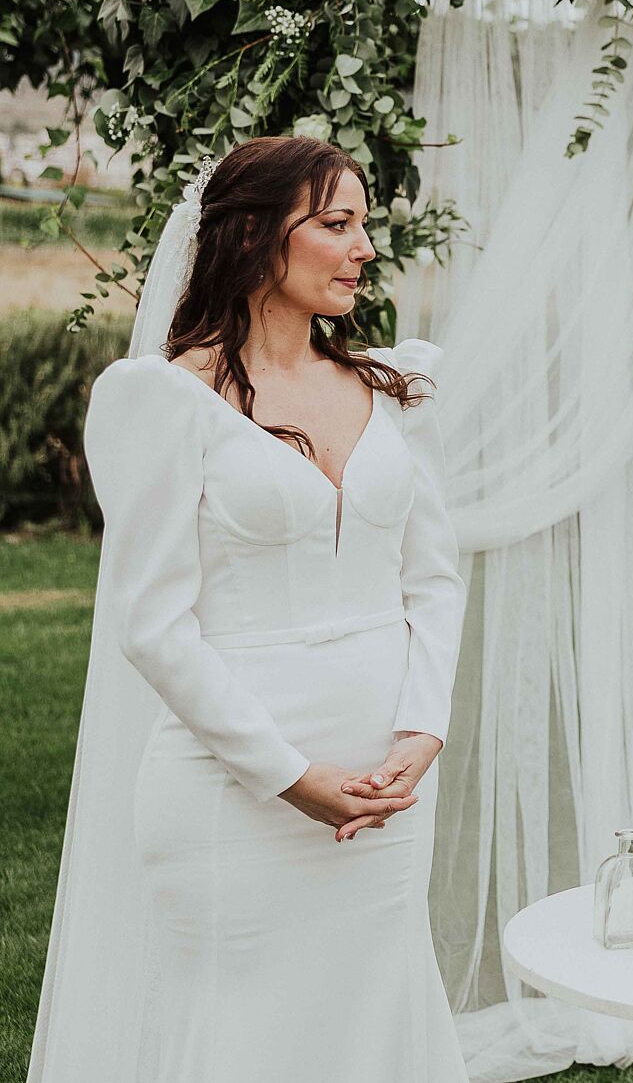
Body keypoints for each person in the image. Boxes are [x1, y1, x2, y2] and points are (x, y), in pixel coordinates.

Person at [30, 136, 469, 1083]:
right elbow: (152, 625)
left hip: (387, 790)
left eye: (365, 226)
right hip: (234, 789)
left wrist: (422, 728)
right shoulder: (163, 399)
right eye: (336, 224)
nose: (363, 248)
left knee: (376, 1013)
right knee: (248, 1040)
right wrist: (287, 774)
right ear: (256, 236)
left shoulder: (390, 386)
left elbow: (434, 578)